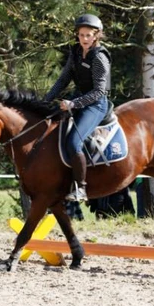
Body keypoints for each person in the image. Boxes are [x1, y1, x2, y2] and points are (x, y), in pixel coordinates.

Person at [44, 14, 111, 202]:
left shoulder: (99, 57)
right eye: (81, 35)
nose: (84, 39)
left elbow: (99, 91)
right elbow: (64, 79)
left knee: (74, 142)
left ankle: (81, 188)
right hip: (78, 98)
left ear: (96, 35)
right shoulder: (75, 52)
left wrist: (74, 104)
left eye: (88, 35)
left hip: (96, 105)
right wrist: (46, 100)